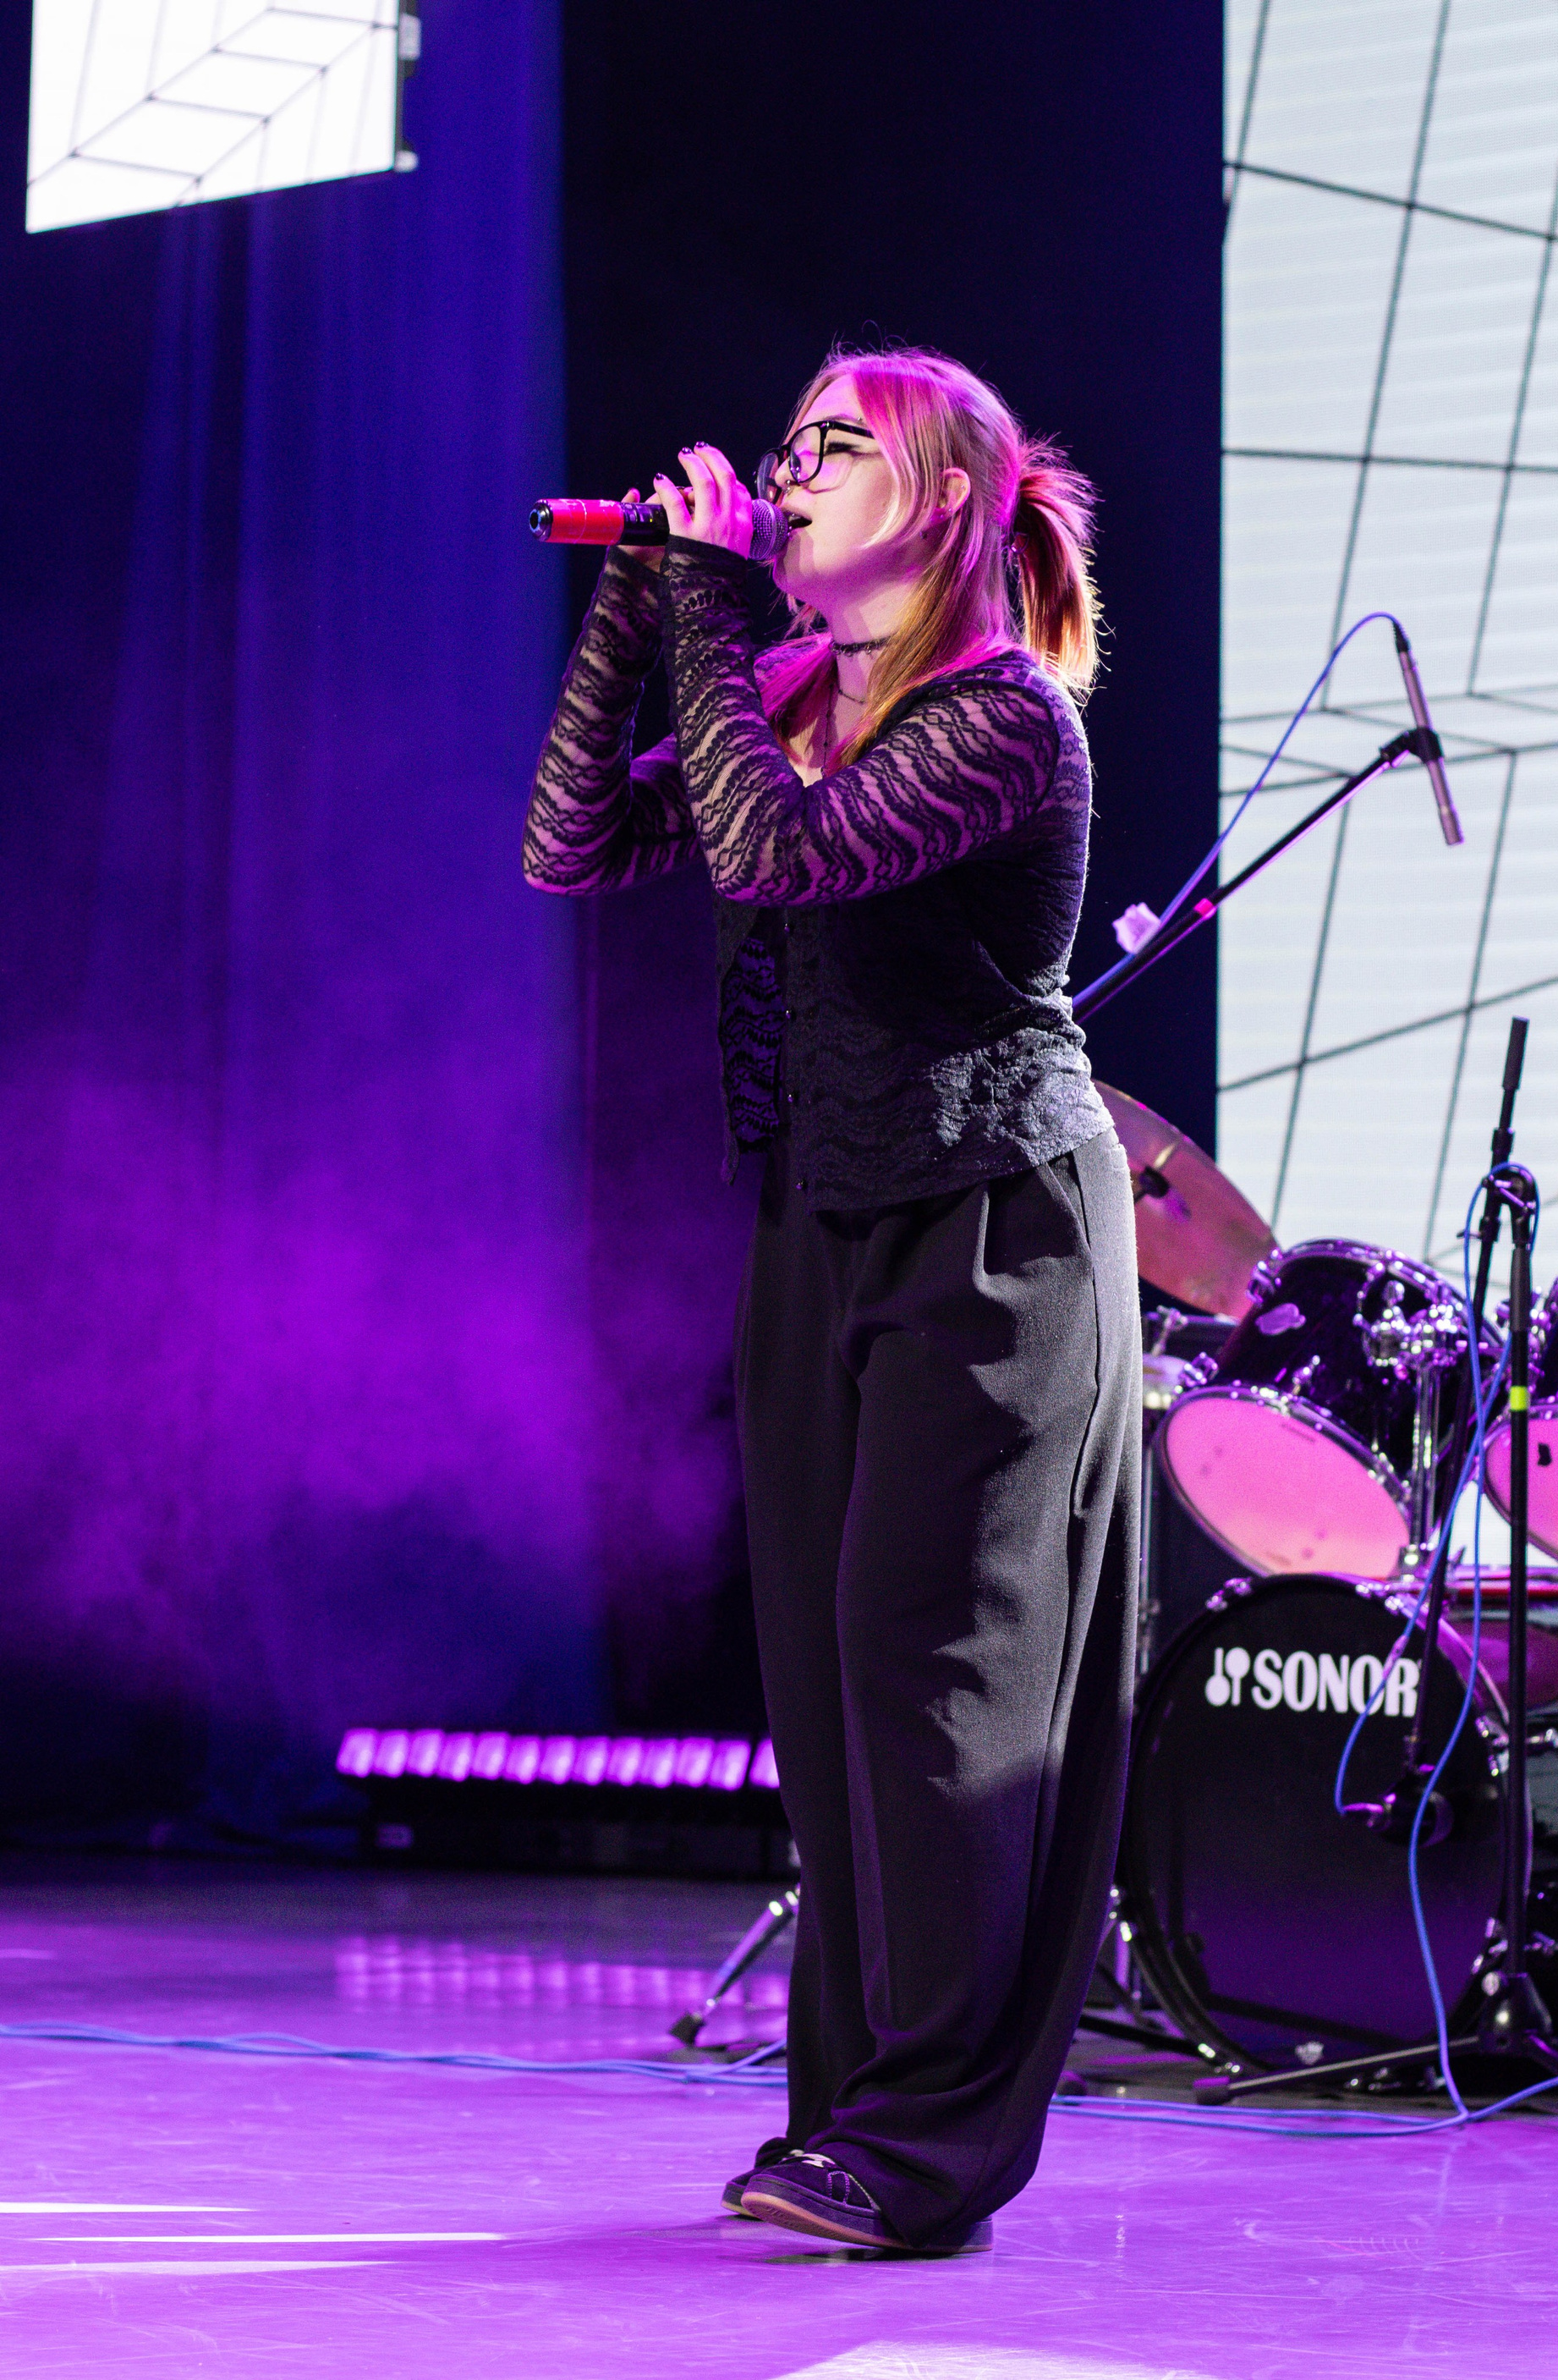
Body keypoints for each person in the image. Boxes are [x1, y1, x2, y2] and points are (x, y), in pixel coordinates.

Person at [524, 345, 1140, 2255]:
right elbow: (567, 843)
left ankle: (930, 2142)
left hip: (996, 1225)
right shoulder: (786, 695)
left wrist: (710, 605)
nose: (786, 474)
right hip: (820, 1221)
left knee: (931, 1675)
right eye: (785, 447)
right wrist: (642, 600)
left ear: (939, 499)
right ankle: (851, 2112)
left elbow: (781, 854)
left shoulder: (1004, 718)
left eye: (831, 448)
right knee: (823, 1682)